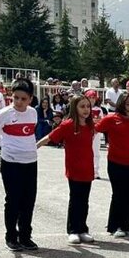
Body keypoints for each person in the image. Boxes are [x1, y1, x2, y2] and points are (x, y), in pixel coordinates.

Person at [0, 78, 41, 251]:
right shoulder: (3, 114)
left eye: (23, 99)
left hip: (30, 162)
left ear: (31, 98)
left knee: (29, 200)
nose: (19, 102)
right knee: (13, 200)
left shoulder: (33, 113)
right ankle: (11, 236)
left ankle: (25, 236)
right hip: (11, 162)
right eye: (16, 98)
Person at [39, 95, 96, 245]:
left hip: (87, 169)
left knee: (84, 201)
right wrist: (34, 147)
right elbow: (50, 137)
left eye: (88, 106)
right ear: (74, 108)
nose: (86, 109)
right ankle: (73, 230)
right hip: (74, 169)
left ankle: (82, 229)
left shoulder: (90, 125)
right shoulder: (68, 125)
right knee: (75, 200)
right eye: (82, 106)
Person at [96, 92, 129, 238]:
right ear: (121, 104)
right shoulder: (111, 119)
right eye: (127, 104)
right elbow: (95, 128)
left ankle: (126, 224)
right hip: (116, 162)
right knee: (118, 194)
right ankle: (114, 226)